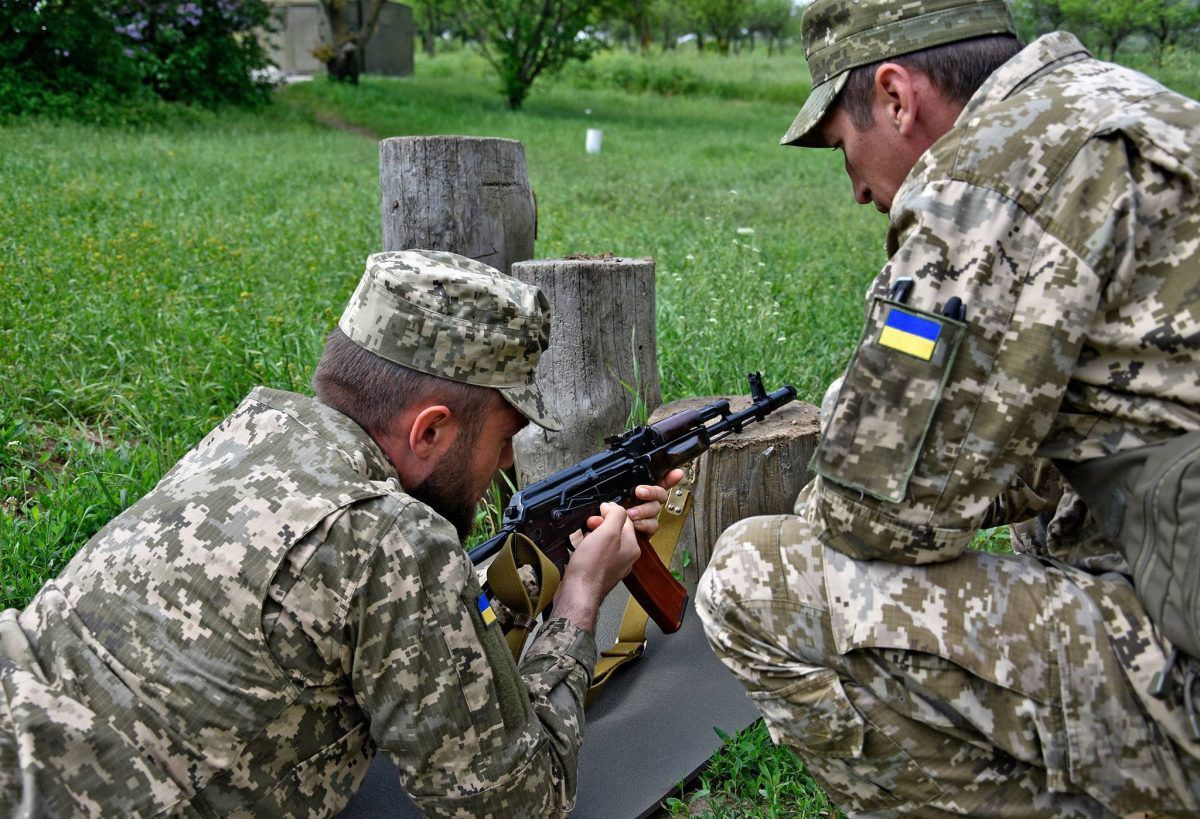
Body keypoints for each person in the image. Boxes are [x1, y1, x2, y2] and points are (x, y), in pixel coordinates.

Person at [697, 0, 1200, 815]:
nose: (859, 190)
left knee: (753, 580)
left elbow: (876, 515)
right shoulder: (1140, 113)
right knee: (1052, 507)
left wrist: (828, 477)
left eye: (843, 148)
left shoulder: (993, 172)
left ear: (896, 97)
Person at [0, 249, 678, 817]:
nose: (506, 462)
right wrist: (579, 601)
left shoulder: (253, 430)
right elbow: (516, 804)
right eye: (505, 436)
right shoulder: (392, 538)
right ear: (430, 431)